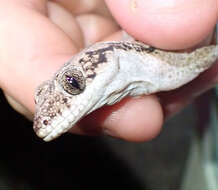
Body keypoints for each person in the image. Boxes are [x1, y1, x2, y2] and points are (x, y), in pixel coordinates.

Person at [0, 0, 217, 143]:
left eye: (73, 83)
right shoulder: (164, 66)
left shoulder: (168, 57)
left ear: (108, 60)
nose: (46, 117)